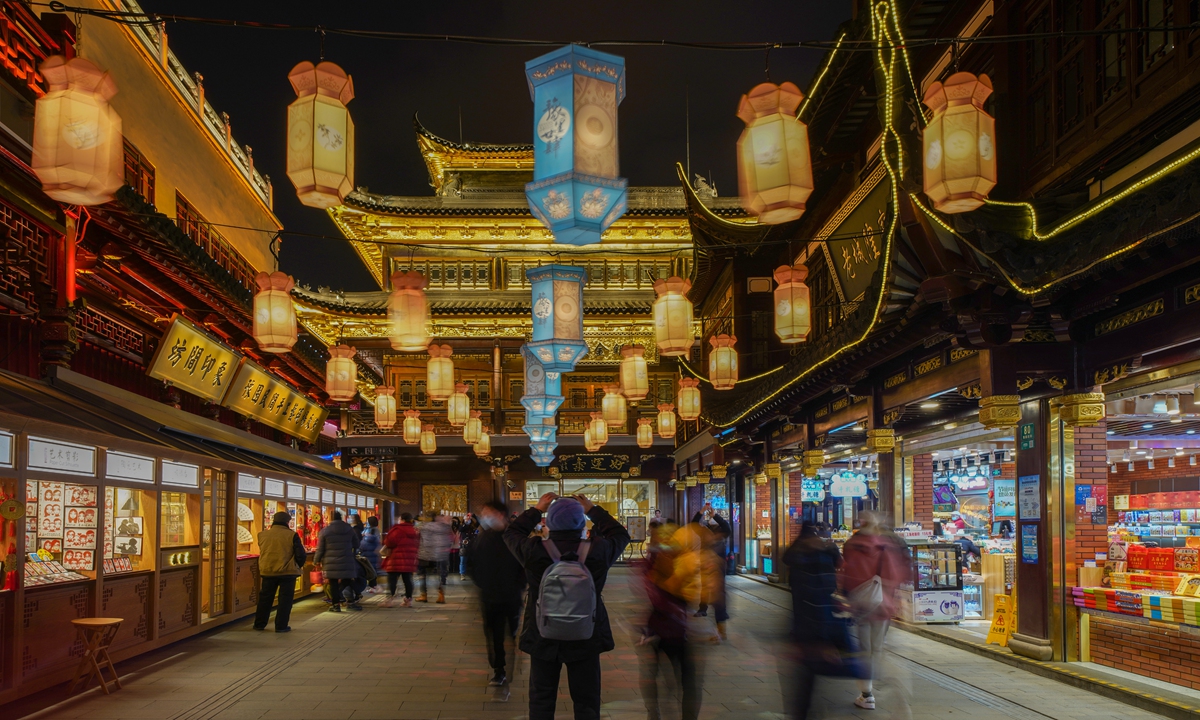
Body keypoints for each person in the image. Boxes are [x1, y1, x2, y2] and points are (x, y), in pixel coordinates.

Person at [505, 493, 630, 720]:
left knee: (542, 699)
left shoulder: (534, 550)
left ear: (550, 523)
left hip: (543, 632)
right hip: (586, 633)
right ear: (581, 523)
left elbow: (511, 533)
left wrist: (537, 509)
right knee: (587, 701)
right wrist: (592, 510)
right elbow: (621, 534)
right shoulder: (598, 550)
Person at [785, 522, 856, 720]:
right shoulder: (823, 559)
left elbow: (810, 602)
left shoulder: (799, 555)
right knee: (810, 679)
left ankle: (804, 713)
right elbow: (821, 600)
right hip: (815, 629)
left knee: (806, 681)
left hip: (807, 629)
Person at [841, 512, 909, 711]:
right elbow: (894, 576)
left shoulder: (851, 546)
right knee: (877, 647)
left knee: (863, 649)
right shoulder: (884, 547)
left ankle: (867, 694)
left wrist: (848, 598)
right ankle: (882, 682)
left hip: (860, 605)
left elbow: (846, 576)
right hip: (882, 605)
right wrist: (894, 599)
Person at [469, 501, 526, 686]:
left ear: (501, 514)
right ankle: (499, 669)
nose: (485, 517)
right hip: (489, 597)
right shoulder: (483, 538)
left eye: (489, 513)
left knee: (512, 631)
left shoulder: (515, 538)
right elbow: (472, 564)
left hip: (511, 595)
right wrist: (482, 584)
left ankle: (510, 657)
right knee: (494, 635)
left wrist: (518, 586)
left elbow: (524, 566)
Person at [254, 511, 307, 632]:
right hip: (287, 572)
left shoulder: (262, 535)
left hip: (268, 570)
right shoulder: (292, 535)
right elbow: (300, 554)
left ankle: (259, 624)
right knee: (285, 600)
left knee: (265, 598)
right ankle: (281, 626)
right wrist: (297, 565)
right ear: (287, 522)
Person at [315, 510, 361, 612]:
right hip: (347, 560)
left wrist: (316, 561)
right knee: (347, 579)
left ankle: (336, 605)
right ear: (341, 518)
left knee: (333, 583)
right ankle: (351, 600)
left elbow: (320, 549)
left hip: (330, 561)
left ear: (331, 519)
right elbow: (357, 544)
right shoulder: (350, 529)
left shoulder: (325, 531)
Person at [382, 512, 420, 606]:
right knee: (408, 579)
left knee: (392, 579)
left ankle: (389, 600)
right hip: (409, 559)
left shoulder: (397, 529)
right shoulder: (415, 530)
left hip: (396, 559)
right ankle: (408, 600)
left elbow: (389, 542)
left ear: (402, 520)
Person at [417, 513, 453, 603]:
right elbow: (451, 539)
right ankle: (441, 595)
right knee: (441, 575)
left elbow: (420, 539)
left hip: (425, 554)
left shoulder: (423, 527)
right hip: (441, 554)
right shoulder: (445, 527)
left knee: (422, 574)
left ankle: (423, 595)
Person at [360, 516, 383, 593]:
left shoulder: (373, 530)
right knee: (371, 569)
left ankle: (373, 585)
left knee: (370, 569)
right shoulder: (373, 529)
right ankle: (372, 585)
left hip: (370, 553)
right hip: (372, 553)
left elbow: (370, 541)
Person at [459, 513, 478, 578]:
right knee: (463, 560)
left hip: (472, 544)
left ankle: (474, 573)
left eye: (469, 517)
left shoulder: (473, 526)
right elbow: (461, 529)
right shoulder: (462, 525)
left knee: (474, 560)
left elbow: (478, 525)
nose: (468, 518)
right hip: (464, 545)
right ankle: (462, 574)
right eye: (466, 517)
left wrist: (473, 516)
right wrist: (466, 523)